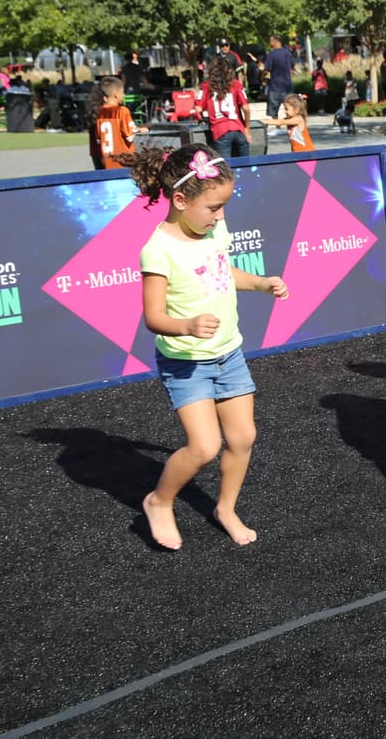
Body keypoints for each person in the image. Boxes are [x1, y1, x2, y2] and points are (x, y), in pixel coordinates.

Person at [122, 144, 289, 549]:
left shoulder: (214, 230)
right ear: (180, 200)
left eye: (224, 206)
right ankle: (159, 501)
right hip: (187, 364)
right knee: (204, 446)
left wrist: (260, 282)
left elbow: (223, 272)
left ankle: (225, 508)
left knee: (243, 437)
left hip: (229, 353)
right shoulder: (158, 249)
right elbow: (153, 317)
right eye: (214, 207)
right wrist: (188, 325)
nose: (222, 216)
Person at [197, 56, 251, 158]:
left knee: (225, 169)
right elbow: (246, 108)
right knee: (246, 166)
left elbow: (198, 109)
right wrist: (247, 128)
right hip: (238, 128)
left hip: (220, 130)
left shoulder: (206, 86)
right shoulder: (236, 84)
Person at [93, 75, 147, 169]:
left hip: (107, 160)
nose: (124, 95)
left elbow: (98, 138)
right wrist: (141, 129)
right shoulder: (122, 111)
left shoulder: (100, 112)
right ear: (116, 95)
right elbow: (129, 135)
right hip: (123, 160)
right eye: (122, 92)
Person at [262, 33, 293, 120]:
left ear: (274, 41)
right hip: (288, 86)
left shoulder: (271, 54)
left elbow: (267, 70)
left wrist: (262, 77)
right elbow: (292, 67)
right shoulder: (288, 53)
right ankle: (290, 127)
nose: (269, 42)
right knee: (289, 108)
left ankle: (277, 127)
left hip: (275, 86)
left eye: (270, 40)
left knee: (273, 111)